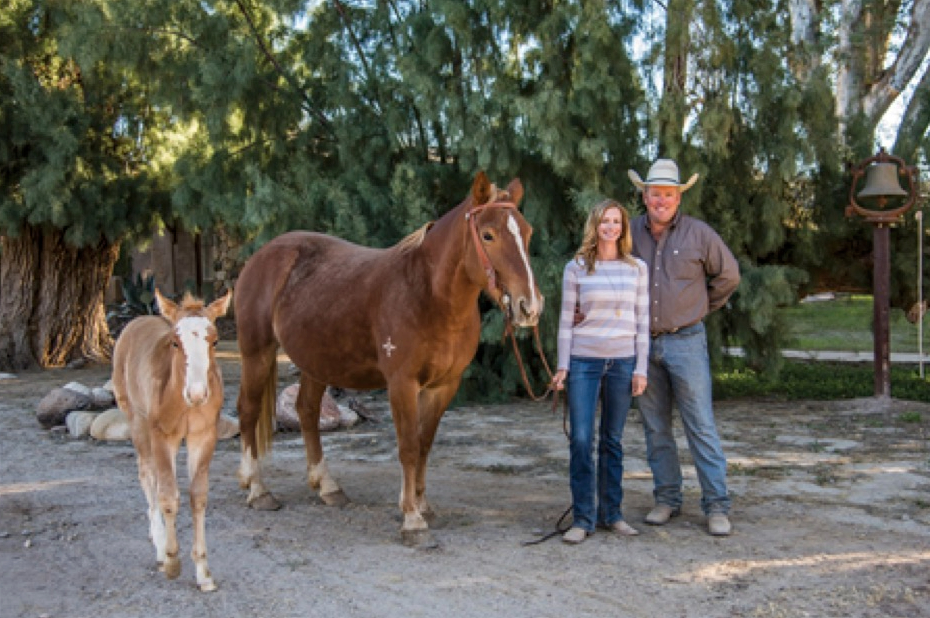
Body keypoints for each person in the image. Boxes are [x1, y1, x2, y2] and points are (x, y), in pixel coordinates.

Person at [627, 158, 740, 536]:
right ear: (645, 196)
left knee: (701, 425)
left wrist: (700, 306)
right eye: (655, 193)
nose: (661, 200)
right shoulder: (629, 233)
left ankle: (716, 505)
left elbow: (729, 275)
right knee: (655, 427)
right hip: (644, 345)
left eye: (669, 194)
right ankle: (667, 498)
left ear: (679, 198)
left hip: (686, 342)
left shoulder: (699, 234)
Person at [551, 199, 650, 544]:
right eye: (605, 221)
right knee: (581, 440)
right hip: (584, 361)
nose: (611, 227)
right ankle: (583, 517)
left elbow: (643, 322)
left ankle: (613, 513)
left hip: (622, 363)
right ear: (595, 226)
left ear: (623, 227)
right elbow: (566, 321)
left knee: (612, 440)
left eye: (617, 221)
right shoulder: (576, 268)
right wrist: (563, 365)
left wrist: (641, 367)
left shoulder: (636, 268)